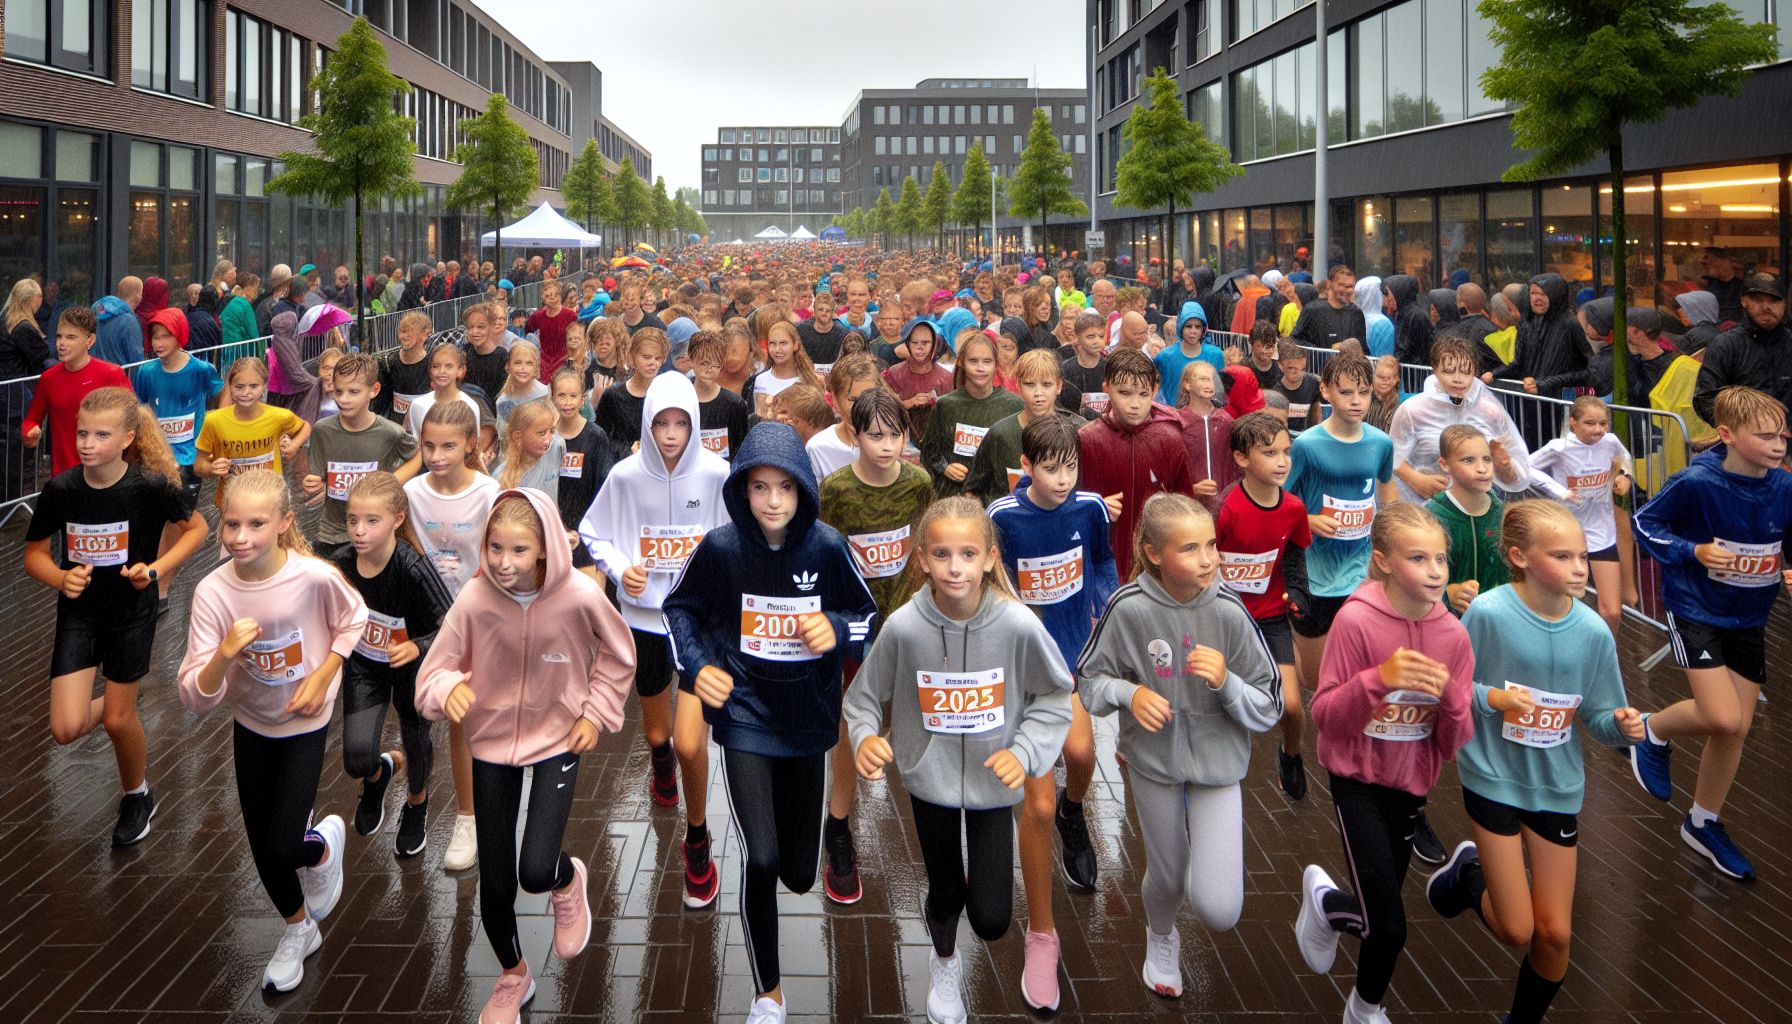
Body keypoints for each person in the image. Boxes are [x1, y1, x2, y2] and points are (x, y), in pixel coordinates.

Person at [666, 422, 878, 1024]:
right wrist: (700, 667)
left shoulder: (828, 548)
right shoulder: (721, 548)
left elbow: (869, 618)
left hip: (808, 720)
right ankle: (768, 994)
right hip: (745, 715)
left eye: (785, 487)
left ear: (804, 489)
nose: (773, 501)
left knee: (799, 873)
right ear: (741, 489)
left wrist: (836, 628)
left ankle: (807, 857)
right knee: (760, 860)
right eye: (759, 487)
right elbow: (679, 609)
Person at [847, 495, 1072, 1024]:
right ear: (923, 558)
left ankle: (1015, 937)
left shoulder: (1018, 625)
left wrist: (1025, 751)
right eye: (942, 554)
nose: (955, 568)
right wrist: (863, 737)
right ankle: (944, 960)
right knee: (945, 890)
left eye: (968, 554)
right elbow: (863, 698)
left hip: (995, 783)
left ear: (990, 558)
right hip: (930, 783)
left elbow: (1054, 695)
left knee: (992, 919)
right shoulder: (904, 627)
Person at [417, 487, 632, 1024]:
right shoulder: (474, 600)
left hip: (560, 736)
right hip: (490, 742)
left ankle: (566, 878)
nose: (503, 562)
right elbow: (433, 672)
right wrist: (447, 688)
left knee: (534, 869)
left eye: (518, 550)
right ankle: (513, 975)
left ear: (544, 548)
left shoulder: (578, 595)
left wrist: (594, 712)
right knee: (495, 883)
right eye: (495, 548)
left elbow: (619, 652)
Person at [1427, 500, 1645, 1024]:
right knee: (1515, 929)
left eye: (1583, 556)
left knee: (1554, 933)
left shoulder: (1593, 632)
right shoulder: (1489, 614)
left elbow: (1598, 715)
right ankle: (1468, 876)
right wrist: (1494, 699)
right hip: (1493, 776)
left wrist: (1623, 726)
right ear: (1519, 557)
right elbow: (1451, 687)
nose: (1580, 568)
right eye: (1562, 556)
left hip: (1557, 785)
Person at [1078, 490, 1279, 999]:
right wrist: (1129, 693)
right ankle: (1161, 935)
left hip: (1219, 763)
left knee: (1220, 909)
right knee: (1167, 879)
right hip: (1154, 761)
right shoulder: (1128, 608)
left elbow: (1270, 703)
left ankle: (1203, 868)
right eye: (1190, 548)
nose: (1208, 559)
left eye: (1211, 545)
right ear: (1153, 554)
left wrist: (1228, 683)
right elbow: (1090, 681)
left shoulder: (1230, 611)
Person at [176, 469, 365, 994]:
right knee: (262, 846)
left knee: (285, 841)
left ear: (284, 522)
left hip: (305, 721)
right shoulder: (213, 592)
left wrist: (324, 674)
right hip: (252, 722)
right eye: (231, 524)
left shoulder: (314, 577)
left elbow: (354, 619)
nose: (241, 537)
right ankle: (299, 928)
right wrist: (224, 656)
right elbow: (193, 695)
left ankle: (322, 847)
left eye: (256, 524)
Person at [1292, 502, 1474, 1024]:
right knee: (1390, 926)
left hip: (1411, 786)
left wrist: (1452, 700)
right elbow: (1326, 715)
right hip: (1356, 782)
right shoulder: (1355, 621)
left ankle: (1363, 1004)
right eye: (1418, 558)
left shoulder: (1454, 636)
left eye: (1440, 558)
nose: (1435, 571)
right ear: (1383, 562)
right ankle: (1330, 911)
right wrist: (1380, 680)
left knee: (1380, 913)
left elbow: (1453, 743)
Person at [25, 388, 206, 847]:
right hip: (80, 614)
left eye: (101, 435)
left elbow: (197, 529)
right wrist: (59, 578)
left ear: (127, 438)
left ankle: (136, 795)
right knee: (65, 729)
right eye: (82, 433)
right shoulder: (61, 489)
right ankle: (124, 697)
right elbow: (34, 556)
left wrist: (156, 569)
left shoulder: (149, 487)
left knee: (117, 721)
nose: (87, 443)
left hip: (131, 612)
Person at [1629, 386, 1792, 881]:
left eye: (1783, 435)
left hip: (1750, 616)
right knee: (1722, 716)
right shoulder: (1696, 482)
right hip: (1696, 609)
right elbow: (1644, 523)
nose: (1779, 444)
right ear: (1727, 434)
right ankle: (1653, 730)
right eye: (1765, 436)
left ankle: (1702, 821)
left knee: (1735, 729)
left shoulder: (1784, 486)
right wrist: (1693, 551)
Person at [986, 416, 1120, 1008]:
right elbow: (992, 584)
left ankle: (1075, 811)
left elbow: (1104, 564)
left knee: (1083, 754)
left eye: (1071, 468)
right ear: (1026, 466)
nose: (1063, 480)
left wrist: (1104, 605)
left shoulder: (1090, 509)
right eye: (1050, 468)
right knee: (1033, 804)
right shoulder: (1002, 517)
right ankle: (1042, 932)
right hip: (1021, 673)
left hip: (1070, 659)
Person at [581, 372, 729, 903]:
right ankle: (659, 763)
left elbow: (734, 538)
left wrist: (715, 582)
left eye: (680, 424)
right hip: (643, 621)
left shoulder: (717, 474)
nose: (670, 434)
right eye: (660, 423)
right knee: (657, 733)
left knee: (692, 741)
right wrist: (622, 570)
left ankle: (697, 838)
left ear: (694, 424)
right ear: (646, 424)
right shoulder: (624, 476)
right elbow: (594, 531)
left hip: (696, 624)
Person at [816, 388, 935, 906]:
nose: (886, 446)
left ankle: (938, 828)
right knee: (853, 723)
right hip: (856, 627)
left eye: (895, 435)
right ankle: (838, 825)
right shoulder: (836, 489)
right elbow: (824, 554)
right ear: (855, 436)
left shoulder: (919, 483)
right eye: (875, 435)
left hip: (907, 623)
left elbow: (924, 547)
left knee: (912, 718)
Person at [332, 472, 453, 857]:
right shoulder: (341, 563)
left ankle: (416, 803)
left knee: (416, 743)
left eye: (372, 521)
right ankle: (378, 773)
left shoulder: (412, 566)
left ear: (398, 519)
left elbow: (451, 624)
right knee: (356, 758)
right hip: (365, 666)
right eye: (352, 520)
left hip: (411, 669)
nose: (359, 531)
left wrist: (417, 647)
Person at [403, 399, 499, 872]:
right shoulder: (410, 492)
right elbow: (404, 548)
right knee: (419, 715)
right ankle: (413, 797)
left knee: (464, 715)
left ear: (470, 445)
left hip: (476, 617)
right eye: (429, 446)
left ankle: (467, 817)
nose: (437, 456)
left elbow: (495, 552)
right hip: (425, 622)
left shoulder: (488, 492)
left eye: (448, 446)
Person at [1287, 350, 1398, 703]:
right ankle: (1282, 661)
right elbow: (1277, 501)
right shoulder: (1306, 445)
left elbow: (1386, 491)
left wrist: (1399, 535)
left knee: (1354, 673)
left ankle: (1347, 727)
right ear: (1325, 391)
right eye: (1346, 392)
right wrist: (1307, 520)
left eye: (1363, 392)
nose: (1356, 401)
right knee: (1314, 679)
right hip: (1314, 574)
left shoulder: (1381, 443)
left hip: (1361, 573)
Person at [1213, 411, 1313, 799]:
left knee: (1291, 705)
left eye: (1286, 452)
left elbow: (1295, 558)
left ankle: (1291, 754)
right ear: (1241, 458)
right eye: (1269, 453)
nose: (1282, 461)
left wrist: (1299, 595)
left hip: (1271, 618)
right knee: (1218, 703)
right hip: (1225, 619)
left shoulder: (1294, 508)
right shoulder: (1224, 508)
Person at [1079, 348, 1194, 581]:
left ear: (1154, 391)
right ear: (1106, 389)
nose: (1135, 404)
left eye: (1143, 394)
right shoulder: (1086, 440)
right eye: (1124, 393)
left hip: (1157, 564)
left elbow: (1185, 505)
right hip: (1102, 563)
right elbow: (1068, 503)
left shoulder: (1170, 439)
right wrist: (1094, 507)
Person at [1526, 395, 1633, 636]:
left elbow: (1624, 458)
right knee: (1565, 606)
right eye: (1590, 423)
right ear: (1573, 423)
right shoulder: (1559, 448)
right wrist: (1559, 491)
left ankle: (1606, 652)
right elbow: (1526, 467)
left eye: (1603, 423)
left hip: (1601, 533)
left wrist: (1624, 476)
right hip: (1567, 534)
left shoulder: (1610, 441)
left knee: (1612, 612)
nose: (1598, 429)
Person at [299, 353, 420, 560]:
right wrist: (313, 484)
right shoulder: (321, 430)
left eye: (353, 392)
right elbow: (319, 479)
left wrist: (391, 481)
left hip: (374, 532)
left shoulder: (389, 432)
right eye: (339, 391)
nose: (344, 399)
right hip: (331, 532)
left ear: (374, 390)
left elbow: (416, 455)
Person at [1390, 336, 1531, 503]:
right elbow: (1392, 456)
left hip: (1475, 505)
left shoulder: (1490, 412)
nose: (1457, 379)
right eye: (1448, 371)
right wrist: (1417, 480)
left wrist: (1504, 464)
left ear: (1475, 371)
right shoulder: (1413, 410)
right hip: (1421, 506)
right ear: (1435, 369)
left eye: (1465, 372)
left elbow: (1515, 477)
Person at [22, 306, 132, 477]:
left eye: (71, 337)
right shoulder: (48, 379)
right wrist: (29, 433)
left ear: (90, 340)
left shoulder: (112, 374)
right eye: (59, 336)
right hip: (64, 476)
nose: (61, 343)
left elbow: (133, 419)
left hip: (105, 476)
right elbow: (32, 419)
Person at [194, 356, 309, 510]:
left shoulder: (278, 417)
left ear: (264, 386)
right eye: (239, 387)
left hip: (269, 500)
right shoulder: (214, 421)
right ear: (230, 387)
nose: (246, 393)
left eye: (253, 386)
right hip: (232, 503)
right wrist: (210, 468)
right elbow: (198, 466)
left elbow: (305, 427)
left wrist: (294, 445)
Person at [920, 330, 1021, 499]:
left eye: (987, 361)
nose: (980, 367)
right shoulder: (946, 405)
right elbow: (929, 450)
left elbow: (1020, 458)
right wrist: (945, 467)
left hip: (995, 497)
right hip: (954, 496)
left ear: (996, 364)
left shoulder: (1013, 406)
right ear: (961, 362)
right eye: (973, 361)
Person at [1428, 425, 1512, 623]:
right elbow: (1416, 575)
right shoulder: (1430, 517)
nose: (1482, 469)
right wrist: (1447, 593)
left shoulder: (1505, 515)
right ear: (1444, 464)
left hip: (1499, 623)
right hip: (1447, 625)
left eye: (1487, 459)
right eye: (1468, 460)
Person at [1692, 274, 1791, 425]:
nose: (1766, 307)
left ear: (1785, 304)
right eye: (1758, 300)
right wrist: (1743, 428)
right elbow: (1705, 398)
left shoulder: (1789, 342)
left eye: (1774, 300)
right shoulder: (1725, 345)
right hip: (1743, 435)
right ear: (1744, 301)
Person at [805, 355, 880, 483]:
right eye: (853, 399)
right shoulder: (818, 447)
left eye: (868, 397)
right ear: (835, 399)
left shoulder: (890, 443)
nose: (861, 406)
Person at [688, 330, 750, 460]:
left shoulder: (735, 405)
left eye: (715, 364)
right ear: (692, 361)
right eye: (704, 363)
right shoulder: (680, 400)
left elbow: (741, 450)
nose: (709, 369)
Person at [745, 321, 824, 422]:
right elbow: (759, 419)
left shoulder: (809, 380)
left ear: (795, 345)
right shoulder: (761, 380)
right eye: (772, 344)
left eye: (783, 343)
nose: (778, 349)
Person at [1153, 302, 1225, 408]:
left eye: (1197, 327)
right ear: (1181, 327)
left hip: (1207, 412)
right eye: (1188, 326)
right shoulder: (1164, 357)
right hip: (1173, 413)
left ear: (1203, 329)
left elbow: (1220, 390)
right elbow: (1156, 389)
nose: (1193, 331)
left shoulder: (1215, 355)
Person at [492, 397, 565, 499]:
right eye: (542, 433)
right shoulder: (500, 478)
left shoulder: (556, 448)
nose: (549, 439)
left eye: (552, 431)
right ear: (517, 437)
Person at [1291, 265, 1367, 351]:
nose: (1349, 290)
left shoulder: (1356, 313)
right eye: (1344, 286)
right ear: (1329, 284)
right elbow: (1293, 340)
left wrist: (1353, 346)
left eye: (1352, 286)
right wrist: (1325, 350)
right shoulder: (1313, 310)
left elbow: (1363, 347)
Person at [377, 312, 433, 425]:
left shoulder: (433, 363)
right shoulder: (389, 361)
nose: (404, 336)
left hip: (425, 423)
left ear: (424, 335)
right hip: (396, 425)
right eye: (402, 331)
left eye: (410, 332)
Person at [526, 280, 578, 377]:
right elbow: (528, 333)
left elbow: (577, 342)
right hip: (542, 366)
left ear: (560, 296)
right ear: (542, 298)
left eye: (555, 295)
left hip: (564, 365)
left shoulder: (571, 316)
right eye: (547, 296)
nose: (552, 298)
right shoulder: (537, 316)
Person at [1271, 341, 1323, 433]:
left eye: (1302, 369)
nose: (1297, 373)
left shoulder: (1313, 383)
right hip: (1283, 434)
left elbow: (1316, 409)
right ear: (1281, 365)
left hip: (1307, 434)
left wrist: (1318, 430)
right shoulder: (1275, 390)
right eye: (1292, 368)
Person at [1385, 275, 1434, 367]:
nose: (1386, 299)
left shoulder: (1415, 316)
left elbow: (1421, 351)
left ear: (1398, 293)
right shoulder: (1402, 314)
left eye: (1388, 294)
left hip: (1416, 372)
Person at [93, 283, 144, 367]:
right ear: (139, 296)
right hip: (119, 373)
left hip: (95, 371)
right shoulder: (129, 320)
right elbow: (136, 359)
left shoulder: (96, 313)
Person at [1351, 276, 1395, 359]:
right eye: (1380, 291)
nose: (1382, 295)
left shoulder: (1352, 317)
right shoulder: (1383, 324)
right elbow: (1385, 358)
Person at [1672, 290, 1724, 356]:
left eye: (1685, 317)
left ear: (1700, 311)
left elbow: (1675, 356)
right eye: (1681, 317)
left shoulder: (1697, 334)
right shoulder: (1716, 330)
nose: (1683, 322)